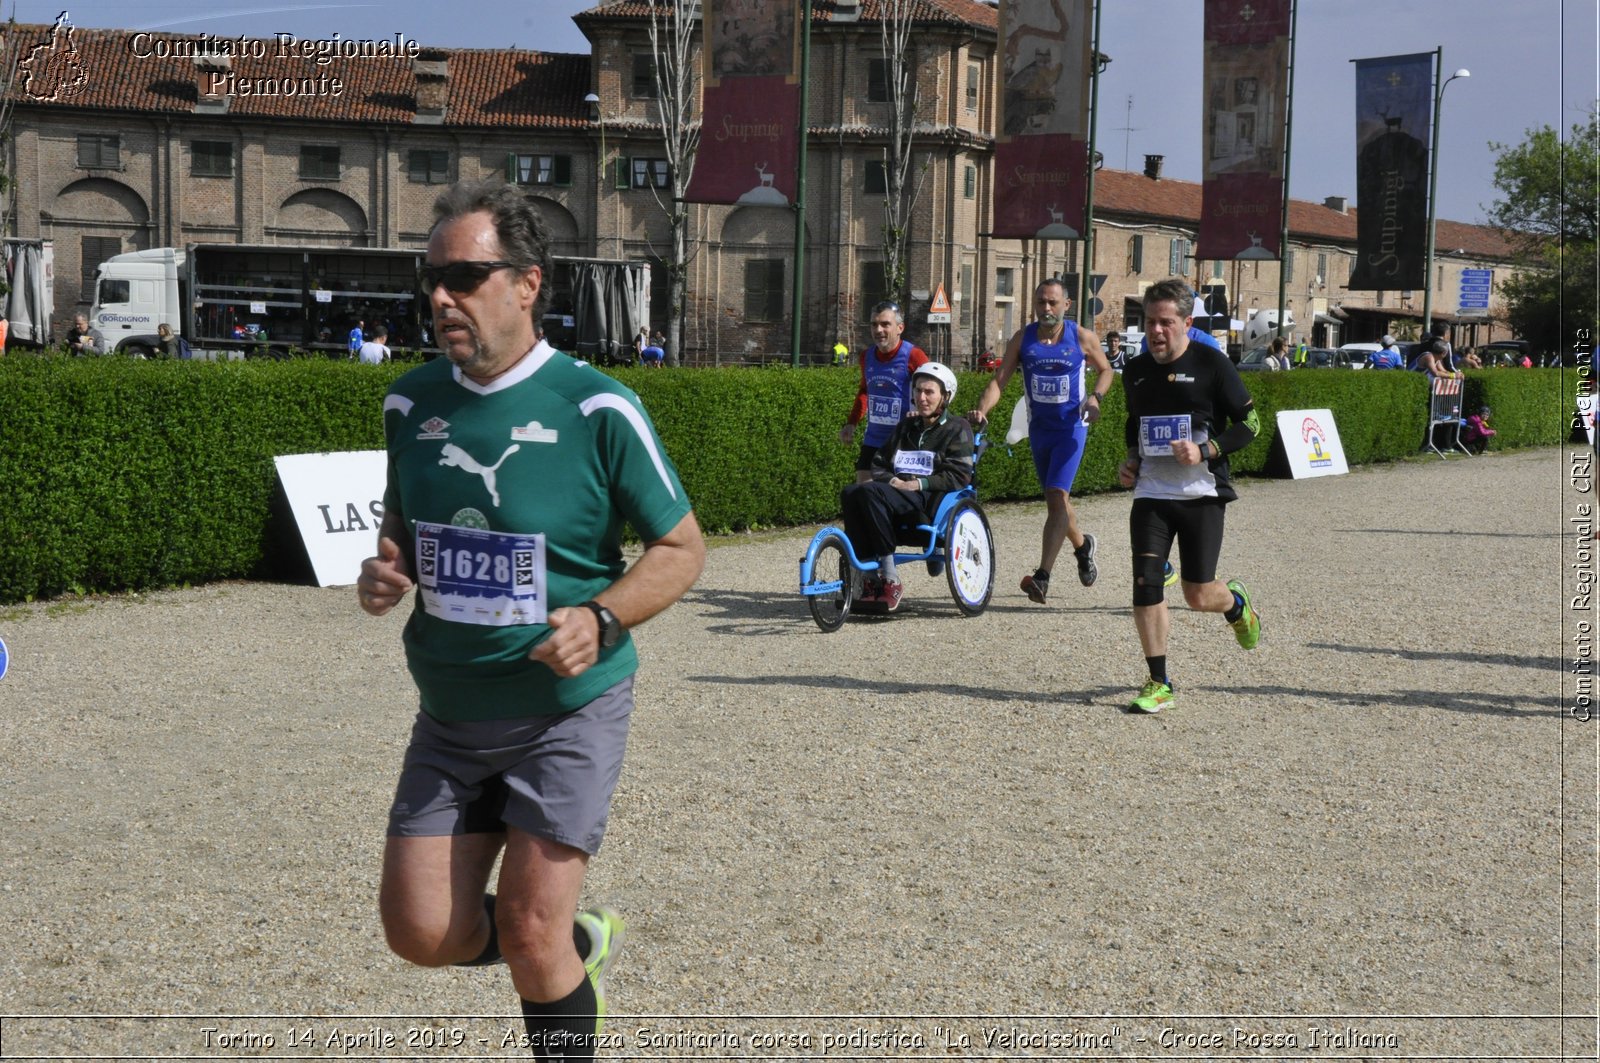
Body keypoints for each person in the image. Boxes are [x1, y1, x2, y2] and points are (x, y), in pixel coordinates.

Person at [355, 179, 705, 1060]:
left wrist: (602, 614)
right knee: (418, 931)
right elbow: (403, 523)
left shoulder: (596, 406)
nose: (441, 296)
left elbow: (680, 548)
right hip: (450, 711)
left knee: (527, 927)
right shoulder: (408, 402)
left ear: (527, 284)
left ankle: (551, 945)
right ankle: (574, 943)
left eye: (465, 275)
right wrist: (386, 566)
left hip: (566, 708)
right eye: (431, 278)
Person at [1116, 278, 1261, 714]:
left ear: (1186, 322)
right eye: (1149, 322)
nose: (1156, 332)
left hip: (1201, 493)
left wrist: (1207, 450)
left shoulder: (1213, 364)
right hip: (1152, 496)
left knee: (1198, 595)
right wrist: (1131, 462)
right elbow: (1134, 424)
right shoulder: (1136, 370)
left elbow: (1251, 424)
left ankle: (1235, 602)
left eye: (1166, 323)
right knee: (1145, 585)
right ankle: (1159, 682)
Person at [969, 277, 1112, 604]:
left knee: (1057, 495)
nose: (1046, 309)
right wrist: (981, 410)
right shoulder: (1024, 338)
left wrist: (1095, 399)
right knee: (1056, 502)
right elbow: (999, 380)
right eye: (1040, 303)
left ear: (1066, 305)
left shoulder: (1081, 337)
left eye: (1052, 303)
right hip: (1040, 429)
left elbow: (1106, 370)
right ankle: (1083, 546)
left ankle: (1042, 577)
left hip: (1072, 428)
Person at [840, 361, 973, 612]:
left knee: (869, 490)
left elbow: (960, 474)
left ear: (945, 396)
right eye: (918, 391)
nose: (921, 398)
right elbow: (878, 463)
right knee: (850, 492)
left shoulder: (957, 428)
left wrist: (918, 483)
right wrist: (894, 481)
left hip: (927, 501)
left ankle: (890, 579)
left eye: (929, 392)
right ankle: (868, 580)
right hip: (893, 495)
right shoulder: (905, 427)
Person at [839, 300, 930, 485]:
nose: (878, 330)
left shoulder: (914, 356)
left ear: (900, 327)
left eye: (885, 324)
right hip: (874, 438)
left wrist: (921, 413)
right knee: (863, 491)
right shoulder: (867, 356)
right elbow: (865, 391)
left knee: (897, 496)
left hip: (904, 440)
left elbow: (933, 391)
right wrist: (852, 422)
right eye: (874, 324)